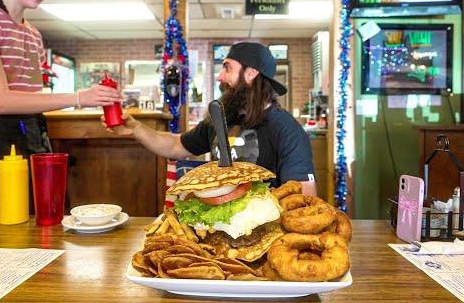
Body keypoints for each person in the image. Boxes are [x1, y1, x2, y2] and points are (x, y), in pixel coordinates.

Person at [0, 0, 121, 224]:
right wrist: (80, 97)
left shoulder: (33, 35)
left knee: (40, 222)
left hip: (30, 132)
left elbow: (31, 97)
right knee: (2, 227)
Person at [105, 42, 317, 196]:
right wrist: (136, 130)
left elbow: (303, 198)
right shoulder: (221, 119)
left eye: (227, 67)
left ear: (251, 73)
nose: (219, 76)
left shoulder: (287, 129)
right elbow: (178, 145)